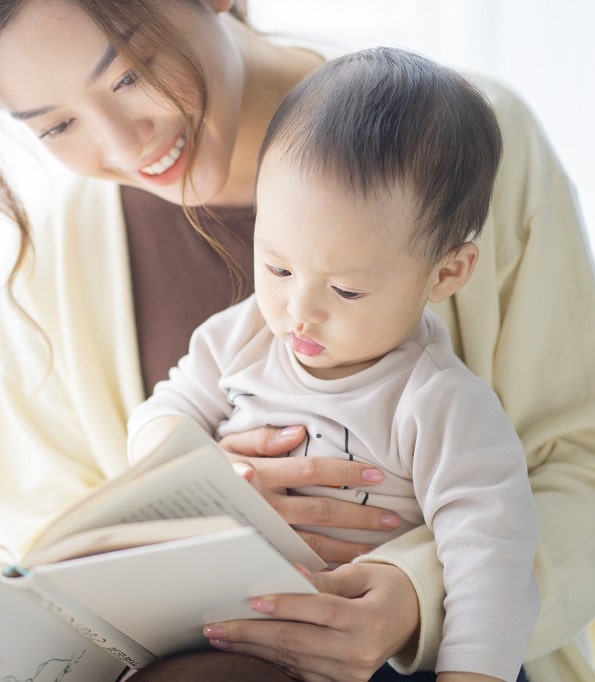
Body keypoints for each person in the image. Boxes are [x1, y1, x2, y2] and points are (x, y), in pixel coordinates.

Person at [0, 1, 595, 680]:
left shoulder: (462, 151)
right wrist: (188, 487)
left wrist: (418, 596)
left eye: (130, 74)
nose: (123, 144)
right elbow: (55, 548)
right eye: (55, 126)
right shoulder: (53, 261)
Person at [127, 46, 539, 682]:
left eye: (346, 290)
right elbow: (164, 411)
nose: (299, 311)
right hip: (231, 628)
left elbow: (490, 557)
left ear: (446, 272)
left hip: (377, 655)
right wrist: (205, 472)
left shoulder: (436, 401)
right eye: (278, 267)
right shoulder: (243, 336)